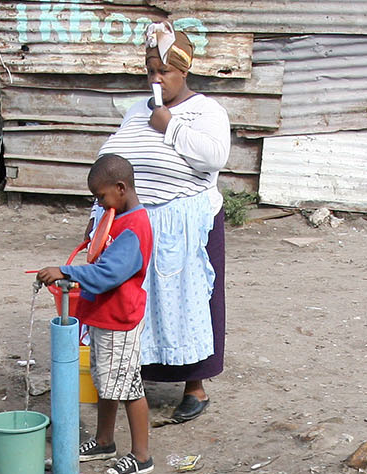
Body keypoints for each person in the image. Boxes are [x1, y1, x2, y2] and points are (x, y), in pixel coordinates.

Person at [97, 22, 230, 424]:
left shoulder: (206, 110)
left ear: (184, 71)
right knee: (141, 304)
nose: (156, 78)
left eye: (164, 71)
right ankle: (135, 379)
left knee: (191, 302)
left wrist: (169, 125)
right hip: (137, 225)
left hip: (187, 224)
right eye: (150, 69)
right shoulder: (138, 110)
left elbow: (213, 157)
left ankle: (195, 386)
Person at [34, 154, 155, 474]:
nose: (99, 205)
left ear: (121, 188)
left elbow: (108, 274)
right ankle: (104, 441)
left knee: (128, 385)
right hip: (106, 315)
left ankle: (142, 456)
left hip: (121, 318)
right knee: (106, 380)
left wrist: (67, 271)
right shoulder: (117, 218)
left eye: (101, 197)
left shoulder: (136, 227)